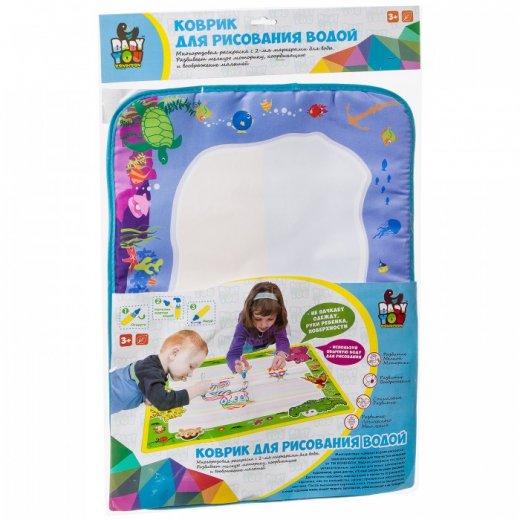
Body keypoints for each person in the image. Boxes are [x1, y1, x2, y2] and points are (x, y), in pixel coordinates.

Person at [110, 329, 212, 414]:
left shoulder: (154, 367)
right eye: (191, 366)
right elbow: (163, 401)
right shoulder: (150, 369)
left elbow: (141, 381)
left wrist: (147, 395)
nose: (190, 374)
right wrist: (197, 390)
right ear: (174, 353)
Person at [226, 281, 290, 375]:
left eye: (270, 319)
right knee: (245, 358)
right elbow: (233, 353)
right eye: (258, 319)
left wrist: (281, 354)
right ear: (250, 313)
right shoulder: (243, 325)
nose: (263, 325)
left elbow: (282, 339)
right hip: (249, 344)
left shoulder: (278, 321)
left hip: (268, 342)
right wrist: (236, 365)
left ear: (278, 315)